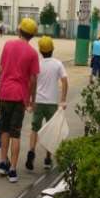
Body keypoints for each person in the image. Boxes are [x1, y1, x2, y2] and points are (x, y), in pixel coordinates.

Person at [0, 18, 40, 183]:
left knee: (4, 129)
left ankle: (3, 163)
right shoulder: (33, 53)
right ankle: (13, 170)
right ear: (32, 35)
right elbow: (33, 79)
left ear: (19, 30)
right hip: (19, 96)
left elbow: (1, 69)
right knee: (16, 132)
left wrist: (3, 84)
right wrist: (31, 100)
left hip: (4, 93)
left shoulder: (8, 45)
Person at [25, 36, 68, 171]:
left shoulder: (37, 64)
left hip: (38, 101)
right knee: (50, 131)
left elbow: (32, 83)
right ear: (52, 49)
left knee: (34, 128)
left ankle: (31, 151)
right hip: (52, 103)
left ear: (40, 50)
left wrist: (30, 101)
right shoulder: (58, 64)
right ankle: (48, 159)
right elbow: (65, 81)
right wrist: (63, 100)